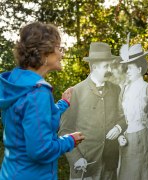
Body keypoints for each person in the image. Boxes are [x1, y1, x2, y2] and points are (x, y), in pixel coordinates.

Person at [0, 22, 85, 180]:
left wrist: (63, 104)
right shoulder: (37, 92)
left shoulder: (18, 83)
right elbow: (41, 151)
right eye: (59, 48)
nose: (61, 54)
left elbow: (37, 119)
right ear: (45, 54)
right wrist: (70, 140)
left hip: (11, 173)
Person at [58, 42, 127, 180]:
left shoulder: (115, 90)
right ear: (94, 67)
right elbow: (64, 130)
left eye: (110, 65)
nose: (109, 69)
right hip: (85, 165)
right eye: (105, 66)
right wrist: (76, 159)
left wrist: (119, 127)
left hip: (109, 165)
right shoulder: (76, 92)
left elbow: (124, 117)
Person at [117, 40, 148, 180]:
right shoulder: (124, 89)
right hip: (126, 141)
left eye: (130, 68)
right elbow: (119, 115)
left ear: (138, 69)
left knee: (144, 174)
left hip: (142, 139)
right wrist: (120, 135)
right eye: (126, 68)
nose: (127, 71)